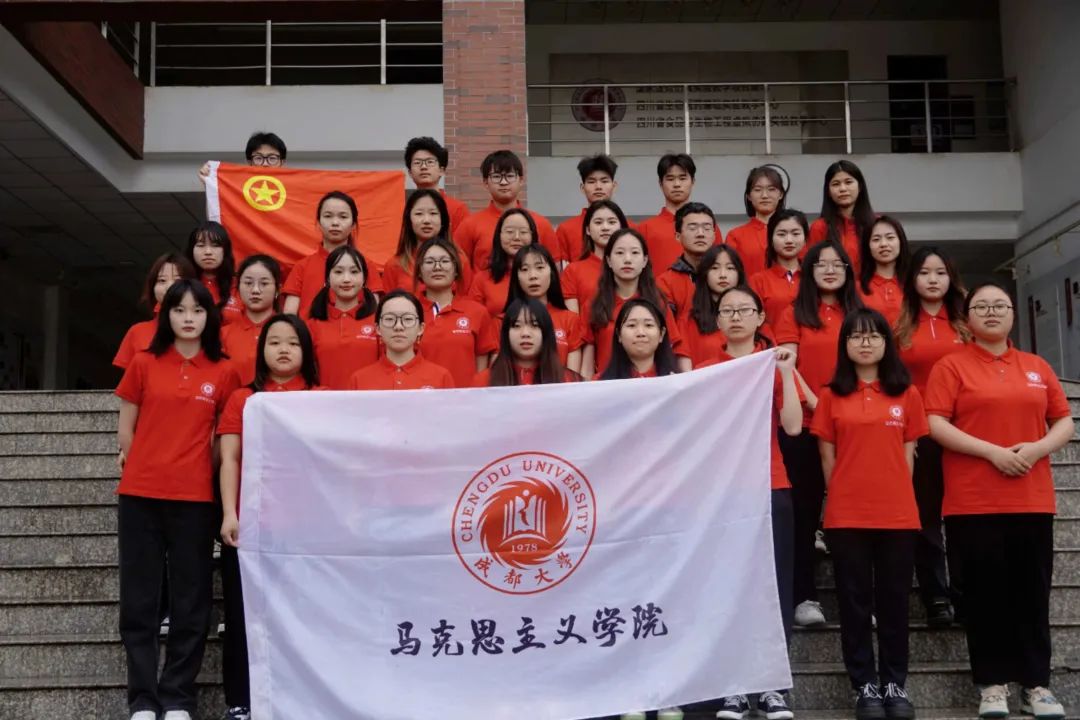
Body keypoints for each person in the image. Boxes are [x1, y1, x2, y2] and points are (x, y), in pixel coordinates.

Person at [925, 283, 1075, 720]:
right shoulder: (951, 365)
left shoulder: (1036, 366)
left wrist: (1036, 448)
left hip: (1031, 498)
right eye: (982, 306)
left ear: (1013, 314)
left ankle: (1036, 684)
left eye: (1000, 306)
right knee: (984, 596)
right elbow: (935, 423)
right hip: (973, 501)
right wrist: (992, 452)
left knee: (1032, 594)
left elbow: (1063, 421)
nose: (991, 312)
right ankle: (992, 685)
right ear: (967, 317)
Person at [115, 279, 240, 720]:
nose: (188, 318)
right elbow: (126, 428)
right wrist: (142, 465)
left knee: (191, 602)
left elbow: (224, 440)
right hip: (140, 496)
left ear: (210, 317)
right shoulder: (144, 363)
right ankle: (143, 699)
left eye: (198, 310)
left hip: (194, 499)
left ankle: (178, 697)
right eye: (179, 310)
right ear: (166, 315)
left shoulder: (224, 371)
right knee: (139, 601)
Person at [811, 308, 928, 720]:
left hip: (897, 515)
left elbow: (908, 457)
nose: (865, 342)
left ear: (886, 343)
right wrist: (845, 495)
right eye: (856, 336)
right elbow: (827, 459)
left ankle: (894, 683)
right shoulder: (830, 395)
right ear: (844, 345)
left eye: (874, 335)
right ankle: (864, 685)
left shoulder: (907, 394)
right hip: (846, 516)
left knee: (894, 603)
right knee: (854, 603)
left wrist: (893, 495)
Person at [217, 314, 321, 720]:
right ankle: (241, 700)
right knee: (243, 614)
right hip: (252, 525)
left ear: (306, 350)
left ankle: (305, 696)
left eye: (293, 343)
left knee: (306, 612)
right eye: (275, 342)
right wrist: (229, 513)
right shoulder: (243, 399)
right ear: (262, 350)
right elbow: (229, 458)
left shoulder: (321, 398)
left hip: (305, 527)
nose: (283, 350)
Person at [710, 286, 801, 720]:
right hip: (722, 493)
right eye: (727, 310)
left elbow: (794, 427)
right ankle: (733, 686)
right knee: (728, 587)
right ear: (717, 320)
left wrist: (787, 374)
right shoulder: (706, 371)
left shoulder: (773, 365)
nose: (735, 317)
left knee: (775, 587)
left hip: (770, 484)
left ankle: (772, 686)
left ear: (760, 316)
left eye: (744, 309)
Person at [773, 240, 864, 627]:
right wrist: (820, 407)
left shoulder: (860, 314)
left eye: (837, 264)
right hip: (807, 426)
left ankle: (859, 601)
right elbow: (788, 368)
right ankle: (804, 597)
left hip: (856, 427)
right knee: (805, 515)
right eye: (821, 264)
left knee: (855, 518)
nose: (829, 270)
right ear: (808, 271)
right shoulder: (794, 313)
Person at [894, 246, 970, 627]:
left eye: (940, 272)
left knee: (962, 516)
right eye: (924, 273)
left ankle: (966, 593)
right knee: (925, 517)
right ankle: (936, 595)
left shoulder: (967, 324)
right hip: (921, 433)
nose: (933, 280)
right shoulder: (900, 326)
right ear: (912, 279)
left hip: (967, 433)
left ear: (950, 279)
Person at [580, 229, 688, 380]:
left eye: (635, 252)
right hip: (610, 385)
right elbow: (587, 366)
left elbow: (673, 351)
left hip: (653, 385)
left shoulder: (658, 303)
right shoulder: (594, 305)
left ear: (644, 260)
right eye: (620, 253)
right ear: (609, 260)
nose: (627, 259)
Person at [414, 237, 498, 387]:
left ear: (456, 270)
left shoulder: (477, 312)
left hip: (464, 398)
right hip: (419, 397)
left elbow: (482, 367)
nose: (437, 267)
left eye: (445, 261)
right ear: (419, 271)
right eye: (430, 262)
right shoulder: (408, 312)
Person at [454, 150, 559, 269]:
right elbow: (458, 269)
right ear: (485, 182)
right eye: (496, 177)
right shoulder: (469, 225)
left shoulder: (541, 224)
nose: (503, 182)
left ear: (521, 180)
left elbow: (554, 269)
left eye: (509, 176)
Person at [305, 246, 380, 390]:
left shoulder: (379, 322)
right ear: (327, 278)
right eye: (338, 272)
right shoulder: (312, 326)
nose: (346, 279)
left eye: (354, 272)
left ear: (364, 278)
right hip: (325, 402)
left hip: (370, 401)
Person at [349, 290, 455, 390]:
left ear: (421, 328)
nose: (398, 326)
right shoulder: (359, 380)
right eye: (390, 319)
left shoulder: (442, 378)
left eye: (407, 319)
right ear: (377, 328)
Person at [637, 153, 722, 274]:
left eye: (682, 178)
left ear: (693, 182)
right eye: (670, 179)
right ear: (660, 184)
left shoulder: (708, 227)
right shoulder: (645, 228)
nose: (677, 184)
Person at [505, 244, 583, 373]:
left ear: (552, 272)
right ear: (516, 277)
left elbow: (573, 377)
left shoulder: (570, 319)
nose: (533, 276)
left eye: (540, 267)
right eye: (524, 269)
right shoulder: (503, 321)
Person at [382, 189, 474, 295]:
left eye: (433, 213)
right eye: (419, 214)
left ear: (443, 220)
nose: (426, 220)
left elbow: (466, 301)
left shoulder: (459, 261)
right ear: (409, 220)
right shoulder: (394, 265)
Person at [282, 191, 358, 318]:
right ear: (318, 223)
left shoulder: (366, 266)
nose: (335, 222)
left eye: (343, 217)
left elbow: (374, 314)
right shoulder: (302, 267)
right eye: (328, 216)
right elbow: (289, 316)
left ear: (353, 225)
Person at [114, 253, 195, 370]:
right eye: (162, 280)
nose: (169, 286)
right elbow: (130, 379)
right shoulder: (137, 332)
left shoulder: (208, 332)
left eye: (177, 280)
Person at [473, 298, 577, 386]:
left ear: (546, 332)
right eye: (517, 326)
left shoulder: (570, 381)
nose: (525, 333)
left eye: (535, 325)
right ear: (506, 333)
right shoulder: (483, 381)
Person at [679, 244, 747, 368]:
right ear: (704, 274)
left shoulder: (752, 315)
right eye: (715, 268)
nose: (723, 274)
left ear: (739, 274)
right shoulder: (688, 321)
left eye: (730, 268)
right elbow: (685, 373)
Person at [221, 255, 281, 386]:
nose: (255, 290)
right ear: (238, 288)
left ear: (278, 288)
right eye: (248, 283)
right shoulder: (223, 335)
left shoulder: (290, 332)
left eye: (264, 283)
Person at [563, 199, 629, 313]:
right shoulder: (573, 271)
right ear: (588, 230)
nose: (605, 227)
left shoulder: (632, 267)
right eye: (598, 222)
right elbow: (572, 319)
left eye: (612, 222)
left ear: (622, 228)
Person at [469, 208, 537, 318]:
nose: (516, 237)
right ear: (499, 235)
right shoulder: (482, 279)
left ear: (532, 236)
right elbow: (474, 319)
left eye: (523, 232)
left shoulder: (542, 276)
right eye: (509, 232)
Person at [809, 160, 876, 272]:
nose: (843, 189)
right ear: (828, 191)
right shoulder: (819, 227)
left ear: (860, 187)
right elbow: (813, 267)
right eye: (836, 184)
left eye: (848, 182)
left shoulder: (876, 224)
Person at [556, 154, 624, 264]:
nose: (598, 187)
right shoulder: (566, 230)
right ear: (582, 188)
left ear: (614, 186)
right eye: (591, 182)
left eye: (604, 181)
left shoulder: (629, 227)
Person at [657, 202, 720, 319]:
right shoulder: (665, 282)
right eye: (692, 228)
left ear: (714, 235)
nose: (700, 234)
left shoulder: (725, 275)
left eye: (706, 228)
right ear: (678, 236)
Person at [749, 209, 808, 336]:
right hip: (773, 346)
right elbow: (756, 322)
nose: (789, 240)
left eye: (795, 234)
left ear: (805, 239)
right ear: (771, 239)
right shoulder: (758, 281)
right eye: (781, 234)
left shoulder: (815, 277)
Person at [727, 165, 788, 278]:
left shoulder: (792, 233)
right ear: (749, 196)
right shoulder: (735, 236)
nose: (764, 195)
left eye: (771, 189)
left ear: (781, 194)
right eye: (757, 190)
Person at [598, 298, 679, 380]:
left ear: (661, 333)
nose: (640, 333)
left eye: (648, 325)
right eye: (632, 325)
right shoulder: (600, 383)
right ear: (619, 334)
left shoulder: (676, 381)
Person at [404, 136, 470, 231]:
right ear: (410, 173)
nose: (423, 167)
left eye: (430, 162)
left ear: (441, 170)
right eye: (417, 162)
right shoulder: (403, 208)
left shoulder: (457, 209)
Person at [857, 216, 910, 327]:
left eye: (890, 238)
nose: (883, 244)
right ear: (867, 246)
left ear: (901, 241)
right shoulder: (857, 287)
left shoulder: (914, 284)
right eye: (876, 239)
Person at [185, 221, 241, 324]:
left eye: (215, 246)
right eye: (201, 245)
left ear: (225, 250)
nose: (208, 252)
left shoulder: (241, 286)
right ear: (191, 250)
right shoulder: (181, 284)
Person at [198, 131, 286, 185]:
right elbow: (218, 209)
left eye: (272, 158)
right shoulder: (237, 188)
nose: (265, 163)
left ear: (282, 162)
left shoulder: (292, 188)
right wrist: (210, 184)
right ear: (249, 162)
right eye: (258, 158)